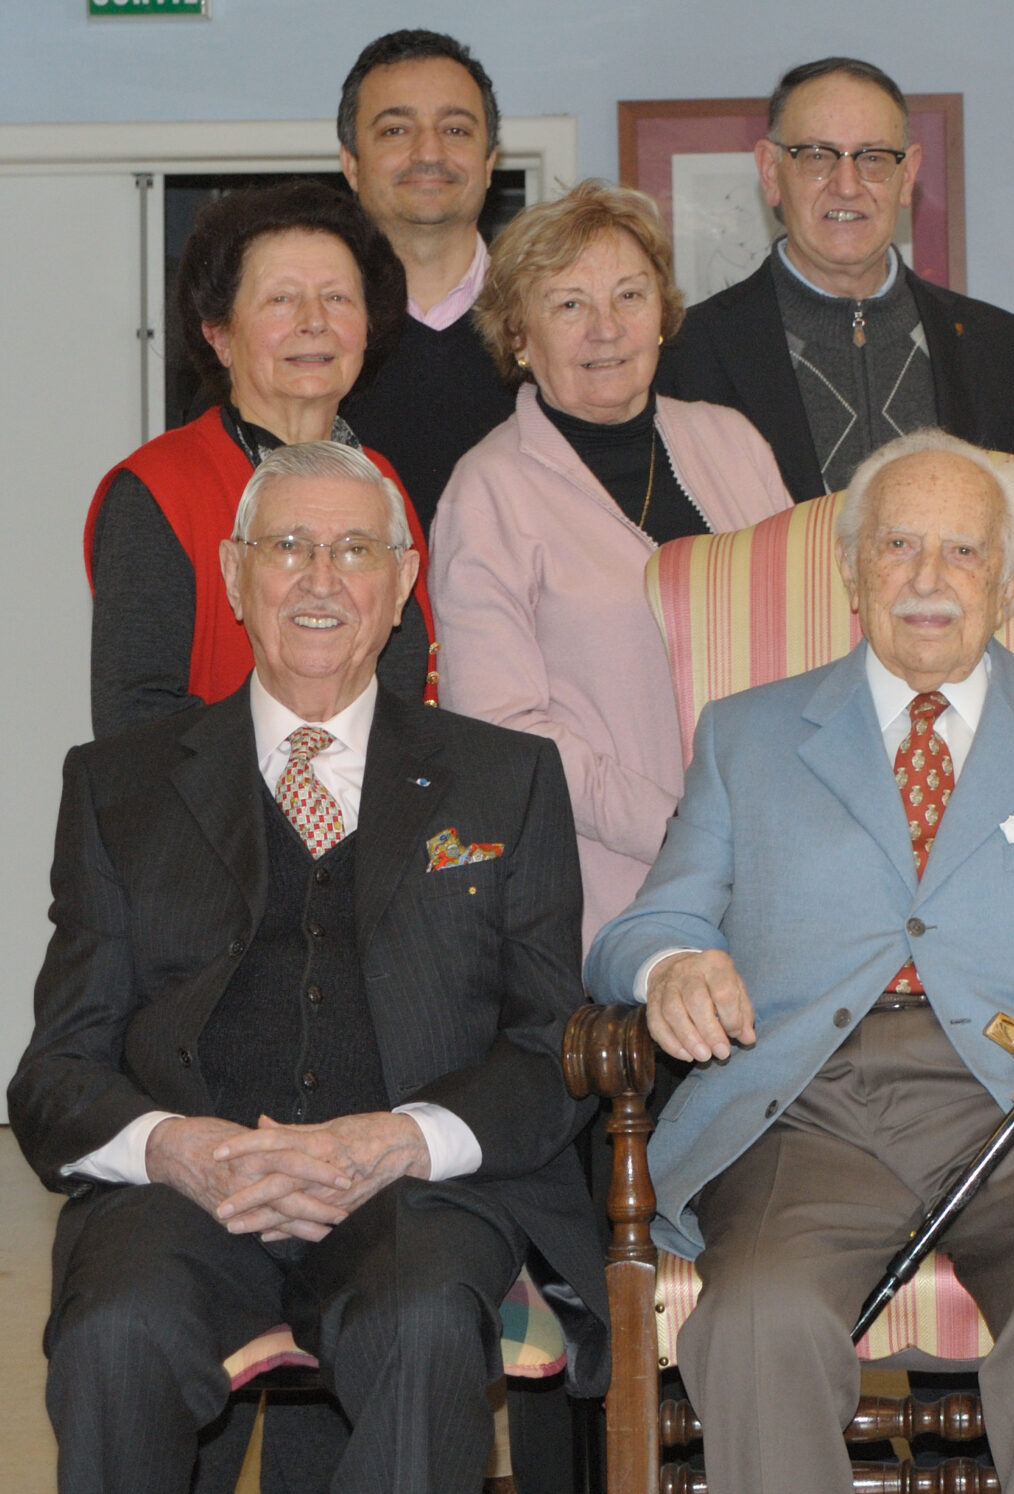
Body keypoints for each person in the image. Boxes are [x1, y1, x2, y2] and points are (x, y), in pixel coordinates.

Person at [584, 429, 1014, 1492]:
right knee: (757, 1323)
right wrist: (674, 965)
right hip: (807, 1113)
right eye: (898, 545)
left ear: (1009, 585)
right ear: (851, 571)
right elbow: (645, 925)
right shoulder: (748, 736)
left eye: (963, 552)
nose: (927, 578)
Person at [14, 441, 606, 1494]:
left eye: (354, 551)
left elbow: (548, 1046)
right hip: (184, 1199)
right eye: (288, 546)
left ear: (403, 582)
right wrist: (176, 1148)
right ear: (234, 574)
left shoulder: (507, 779)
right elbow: (57, 1071)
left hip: (414, 1198)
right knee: (118, 1329)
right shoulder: (119, 786)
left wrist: (402, 1141)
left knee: (422, 1326)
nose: (321, 579)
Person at [431, 181, 793, 950]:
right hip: (607, 898)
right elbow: (505, 734)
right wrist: (684, 831)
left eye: (630, 295)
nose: (607, 328)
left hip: (779, 879)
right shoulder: (486, 491)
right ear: (518, 335)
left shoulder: (734, 442)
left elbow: (810, 646)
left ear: (661, 313)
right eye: (569, 304)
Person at [87, 182, 436, 741]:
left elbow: (405, 695)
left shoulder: (381, 484)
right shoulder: (160, 489)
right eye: (281, 299)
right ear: (220, 336)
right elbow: (136, 723)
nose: (314, 321)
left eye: (337, 298)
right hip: (211, 798)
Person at [658, 58, 1014, 501]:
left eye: (873, 158)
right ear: (771, 172)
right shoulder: (685, 357)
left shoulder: (1002, 350)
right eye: (816, 156)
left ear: (907, 176)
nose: (846, 186)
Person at [333, 28, 519, 535]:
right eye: (396, 130)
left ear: (489, 162)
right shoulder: (303, 343)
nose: (429, 153)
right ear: (351, 164)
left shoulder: (551, 331)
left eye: (456, 130)